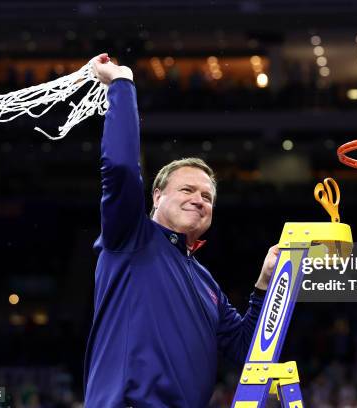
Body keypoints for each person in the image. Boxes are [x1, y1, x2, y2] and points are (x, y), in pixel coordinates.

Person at [83, 53, 279, 407]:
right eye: (187, 190)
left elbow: (251, 350)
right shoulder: (130, 237)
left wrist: (266, 285)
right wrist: (122, 84)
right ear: (156, 196)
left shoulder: (207, 284)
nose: (199, 200)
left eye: (207, 196)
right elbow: (122, 169)